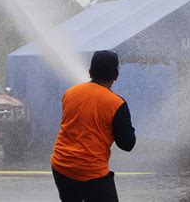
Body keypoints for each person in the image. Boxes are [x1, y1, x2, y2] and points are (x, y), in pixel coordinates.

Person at [51, 50, 136, 202]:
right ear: (116, 75)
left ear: (90, 72)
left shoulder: (70, 93)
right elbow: (127, 144)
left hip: (61, 165)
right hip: (92, 172)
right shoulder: (117, 104)